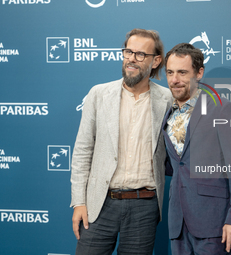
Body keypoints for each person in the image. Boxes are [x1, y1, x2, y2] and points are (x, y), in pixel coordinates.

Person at [70, 28, 173, 255]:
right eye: (128, 52)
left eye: (140, 55)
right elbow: (82, 151)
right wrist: (79, 202)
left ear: (156, 61)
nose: (131, 59)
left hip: (144, 207)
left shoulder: (167, 99)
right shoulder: (99, 94)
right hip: (100, 204)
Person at [162, 43, 231, 255]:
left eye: (183, 72)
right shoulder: (168, 112)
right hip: (178, 222)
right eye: (170, 72)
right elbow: (176, 164)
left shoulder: (221, 108)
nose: (175, 80)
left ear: (199, 73)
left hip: (214, 222)